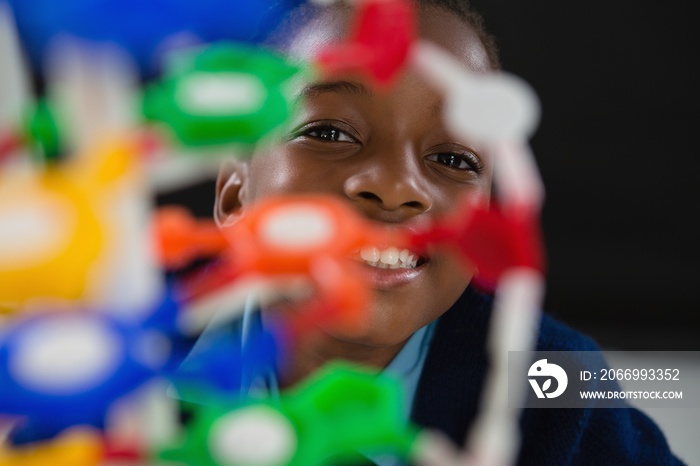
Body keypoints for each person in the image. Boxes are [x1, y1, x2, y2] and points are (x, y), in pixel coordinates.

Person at [207, 1, 686, 464]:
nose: (397, 188)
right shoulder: (146, 349)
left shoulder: (557, 381)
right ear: (234, 191)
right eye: (330, 133)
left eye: (453, 160)